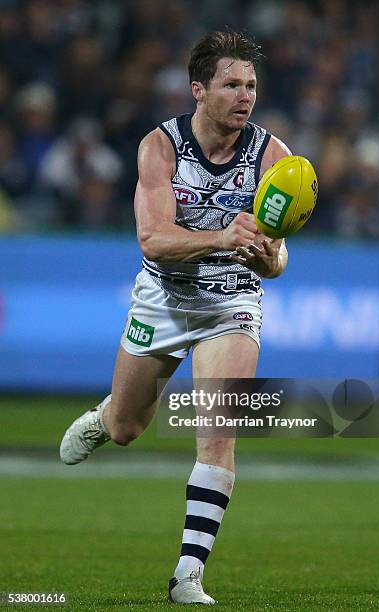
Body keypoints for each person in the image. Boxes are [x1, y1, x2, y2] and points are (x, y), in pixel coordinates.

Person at [60, 30, 291, 605]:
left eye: (252, 85)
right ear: (198, 89)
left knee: (216, 435)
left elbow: (278, 257)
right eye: (232, 84)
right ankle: (105, 416)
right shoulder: (160, 147)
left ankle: (188, 574)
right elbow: (153, 239)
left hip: (231, 302)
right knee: (127, 430)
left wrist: (269, 255)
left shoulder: (274, 157)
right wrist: (222, 236)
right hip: (162, 299)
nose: (245, 96)